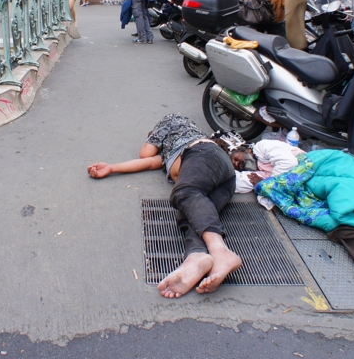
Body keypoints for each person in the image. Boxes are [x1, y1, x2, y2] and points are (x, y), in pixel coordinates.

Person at [230, 143, 354, 303]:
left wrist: (270, 183)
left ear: (244, 149)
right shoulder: (257, 173)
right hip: (313, 194)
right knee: (340, 228)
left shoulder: (264, 147)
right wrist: (260, 181)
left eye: (236, 158)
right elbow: (242, 185)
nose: (238, 164)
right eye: (236, 166)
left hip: (328, 169)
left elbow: (290, 165)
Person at [87, 114, 243, 298]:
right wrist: (112, 168)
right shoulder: (168, 156)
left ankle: (220, 252)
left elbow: (145, 154)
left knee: (184, 192)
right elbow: (146, 163)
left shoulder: (172, 121)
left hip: (205, 154)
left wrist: (153, 139)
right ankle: (197, 256)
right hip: (225, 179)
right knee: (192, 213)